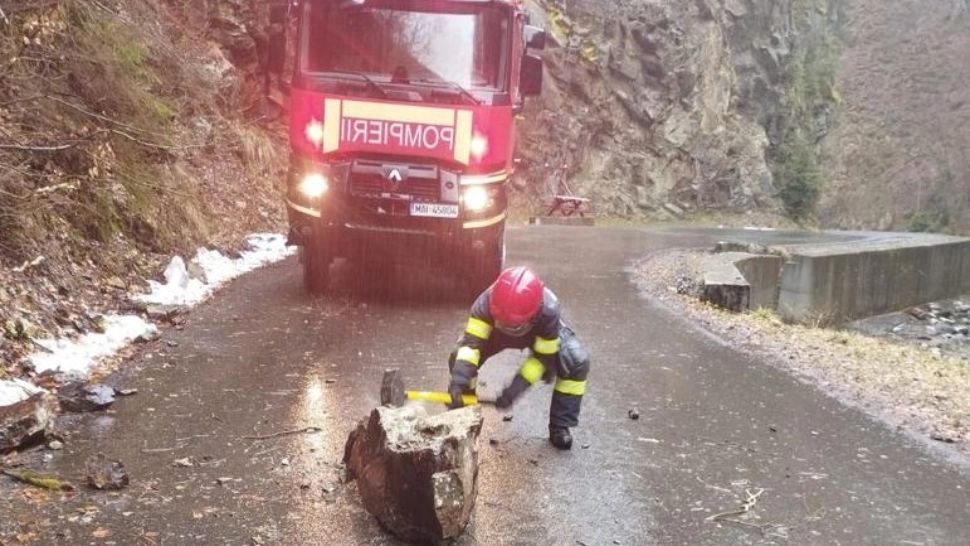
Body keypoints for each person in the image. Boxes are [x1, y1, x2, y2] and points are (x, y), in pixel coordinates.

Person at [448, 267, 590, 450]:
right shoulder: (486, 304)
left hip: (536, 333)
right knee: (458, 355)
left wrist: (515, 389)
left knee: (576, 360)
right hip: (495, 332)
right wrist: (459, 381)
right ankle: (465, 410)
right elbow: (471, 346)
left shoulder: (549, 310)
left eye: (511, 327)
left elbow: (540, 359)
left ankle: (560, 425)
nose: (507, 328)